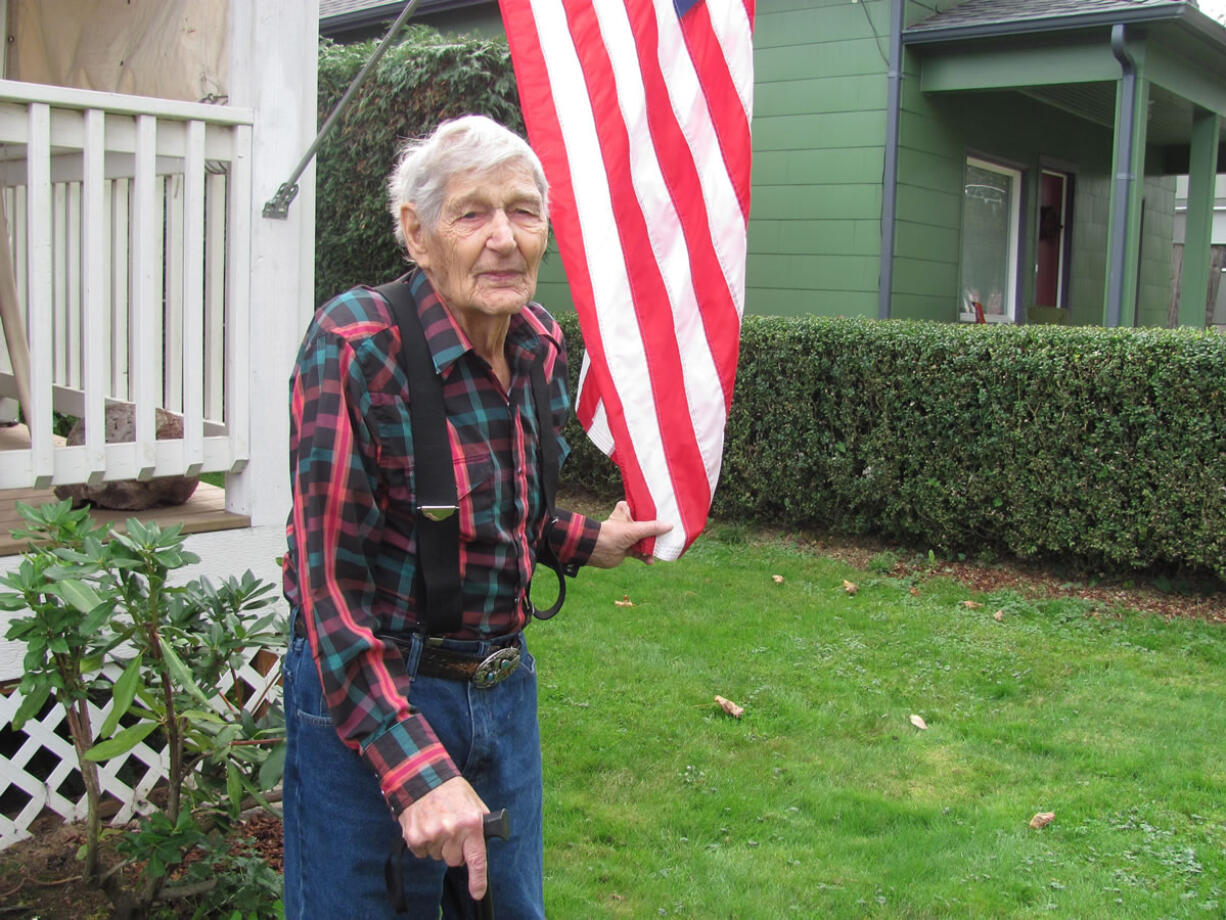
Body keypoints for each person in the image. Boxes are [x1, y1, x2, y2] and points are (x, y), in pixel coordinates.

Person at [280, 114, 671, 919]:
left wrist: (586, 539)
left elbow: (496, 509)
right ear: (417, 235)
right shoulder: (355, 345)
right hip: (375, 696)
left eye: (524, 212)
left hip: (502, 690)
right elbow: (330, 595)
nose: (504, 238)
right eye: (473, 213)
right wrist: (413, 766)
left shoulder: (534, 341)